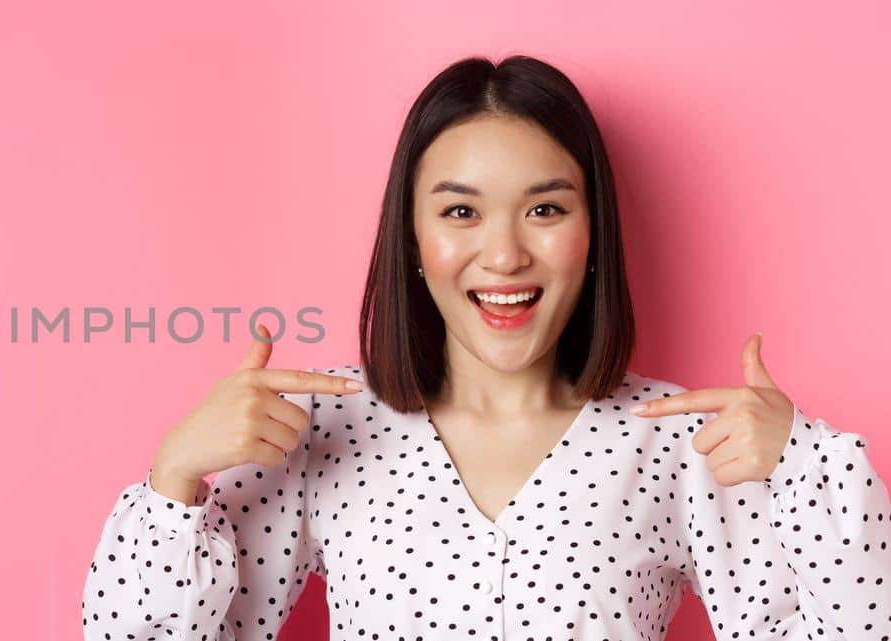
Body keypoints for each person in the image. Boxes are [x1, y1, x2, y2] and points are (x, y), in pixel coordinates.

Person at [80, 55, 891, 641]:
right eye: (461, 213)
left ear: (593, 234)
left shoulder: (681, 439)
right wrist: (173, 480)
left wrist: (806, 463)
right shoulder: (317, 426)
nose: (504, 256)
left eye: (544, 210)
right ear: (412, 237)